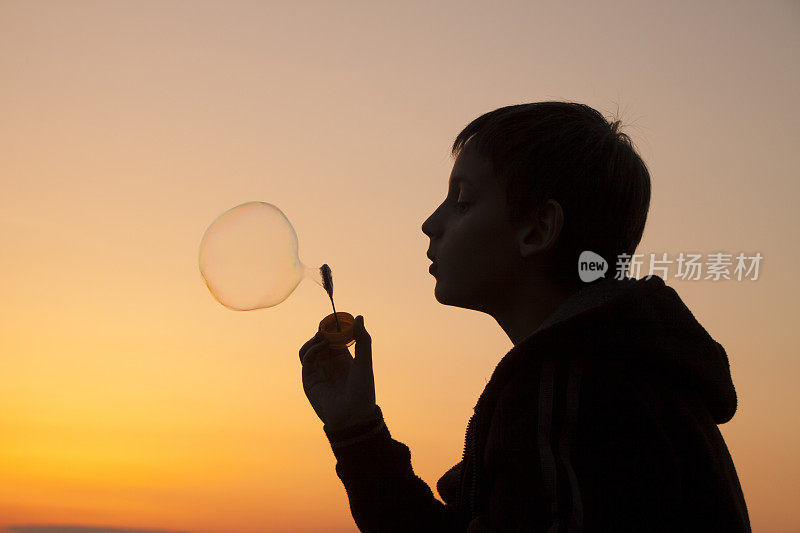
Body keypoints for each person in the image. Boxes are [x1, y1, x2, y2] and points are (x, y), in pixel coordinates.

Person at [298, 102, 751, 532]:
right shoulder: (614, 372)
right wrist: (355, 428)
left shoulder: (576, 397)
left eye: (463, 201)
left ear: (536, 230)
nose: (430, 223)